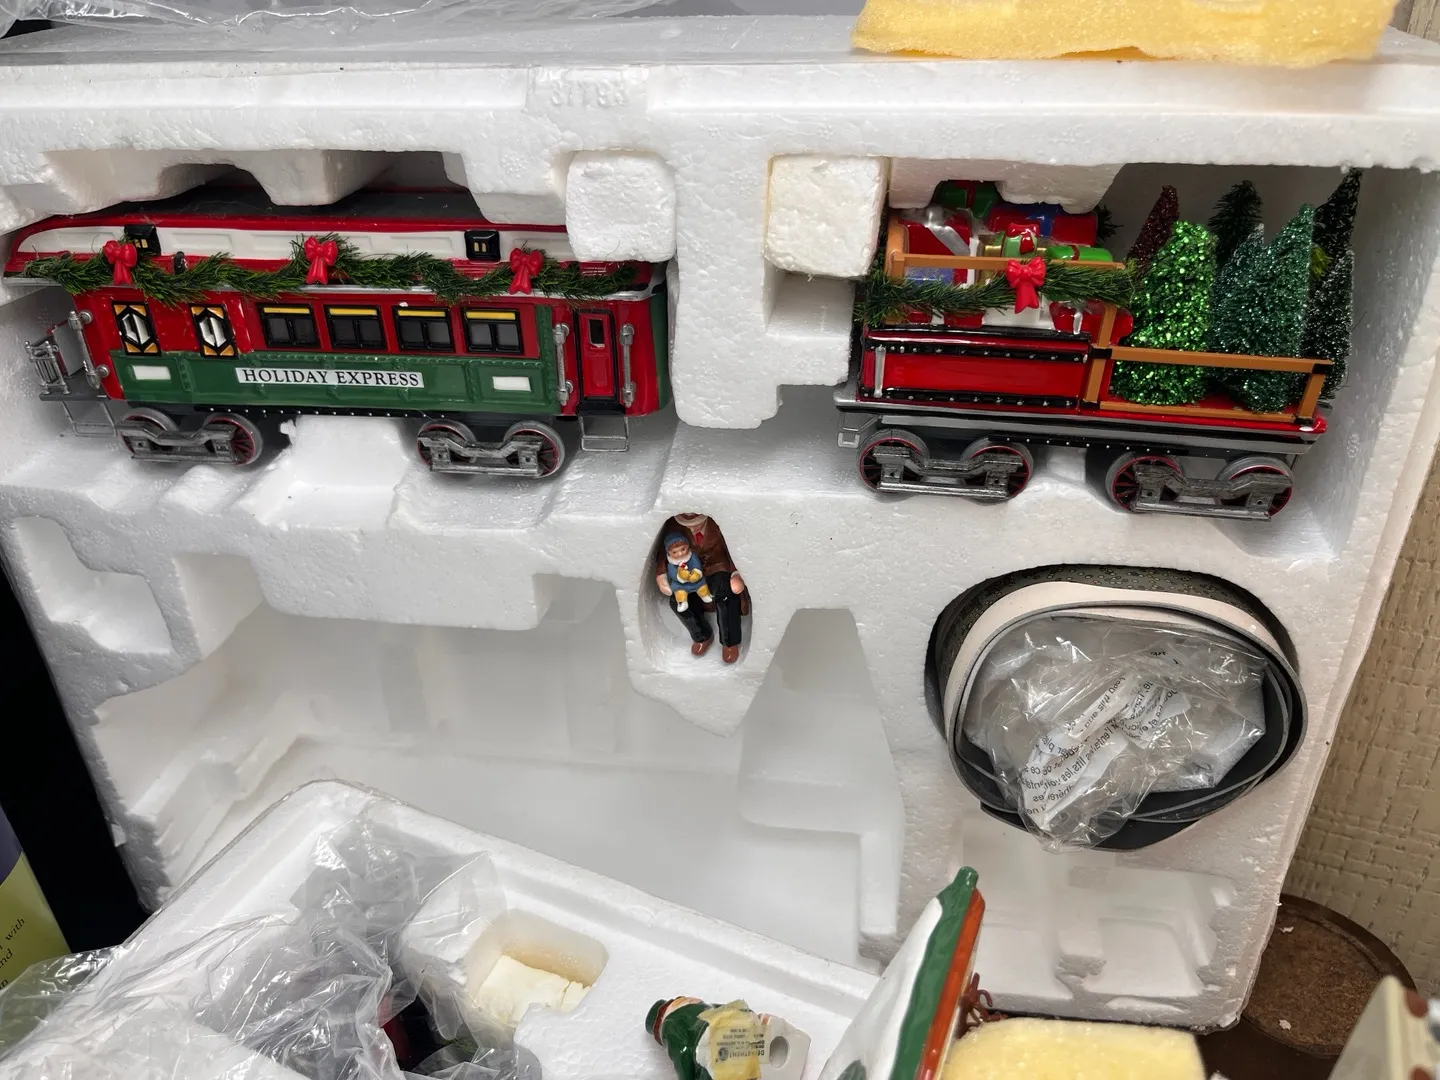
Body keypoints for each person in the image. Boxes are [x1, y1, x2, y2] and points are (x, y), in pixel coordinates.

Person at [655, 512, 748, 663]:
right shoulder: (673, 527)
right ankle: (702, 635)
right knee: (678, 602)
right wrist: (661, 574)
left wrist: (736, 573)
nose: (694, 525)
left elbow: (734, 548)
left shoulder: (719, 522)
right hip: (688, 576)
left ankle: (730, 642)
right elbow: (663, 552)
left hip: (717, 567)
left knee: (726, 594)